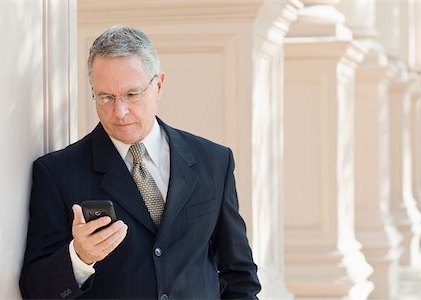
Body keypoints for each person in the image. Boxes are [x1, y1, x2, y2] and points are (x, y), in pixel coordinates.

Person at [19, 25, 261, 299]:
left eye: (132, 95)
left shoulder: (215, 161)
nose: (119, 112)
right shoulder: (56, 173)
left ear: (158, 86)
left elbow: (239, 274)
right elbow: (34, 289)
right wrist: (80, 257)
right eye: (105, 97)